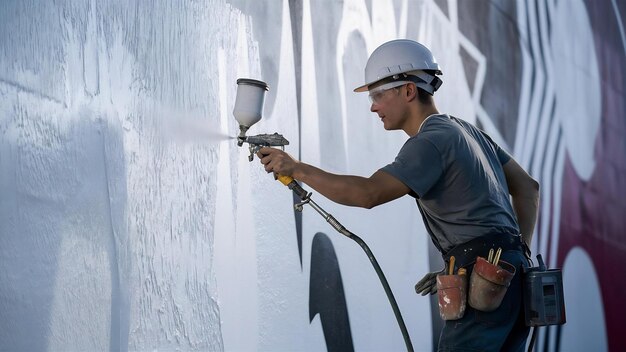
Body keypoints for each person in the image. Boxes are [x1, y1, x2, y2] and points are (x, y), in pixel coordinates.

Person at [257, 39, 539, 352]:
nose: (373, 106)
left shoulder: (430, 142)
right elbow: (529, 188)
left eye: (378, 95)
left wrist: (297, 169)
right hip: (511, 277)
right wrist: (510, 254)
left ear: (407, 91)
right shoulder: (468, 132)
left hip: (484, 279)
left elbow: (368, 193)